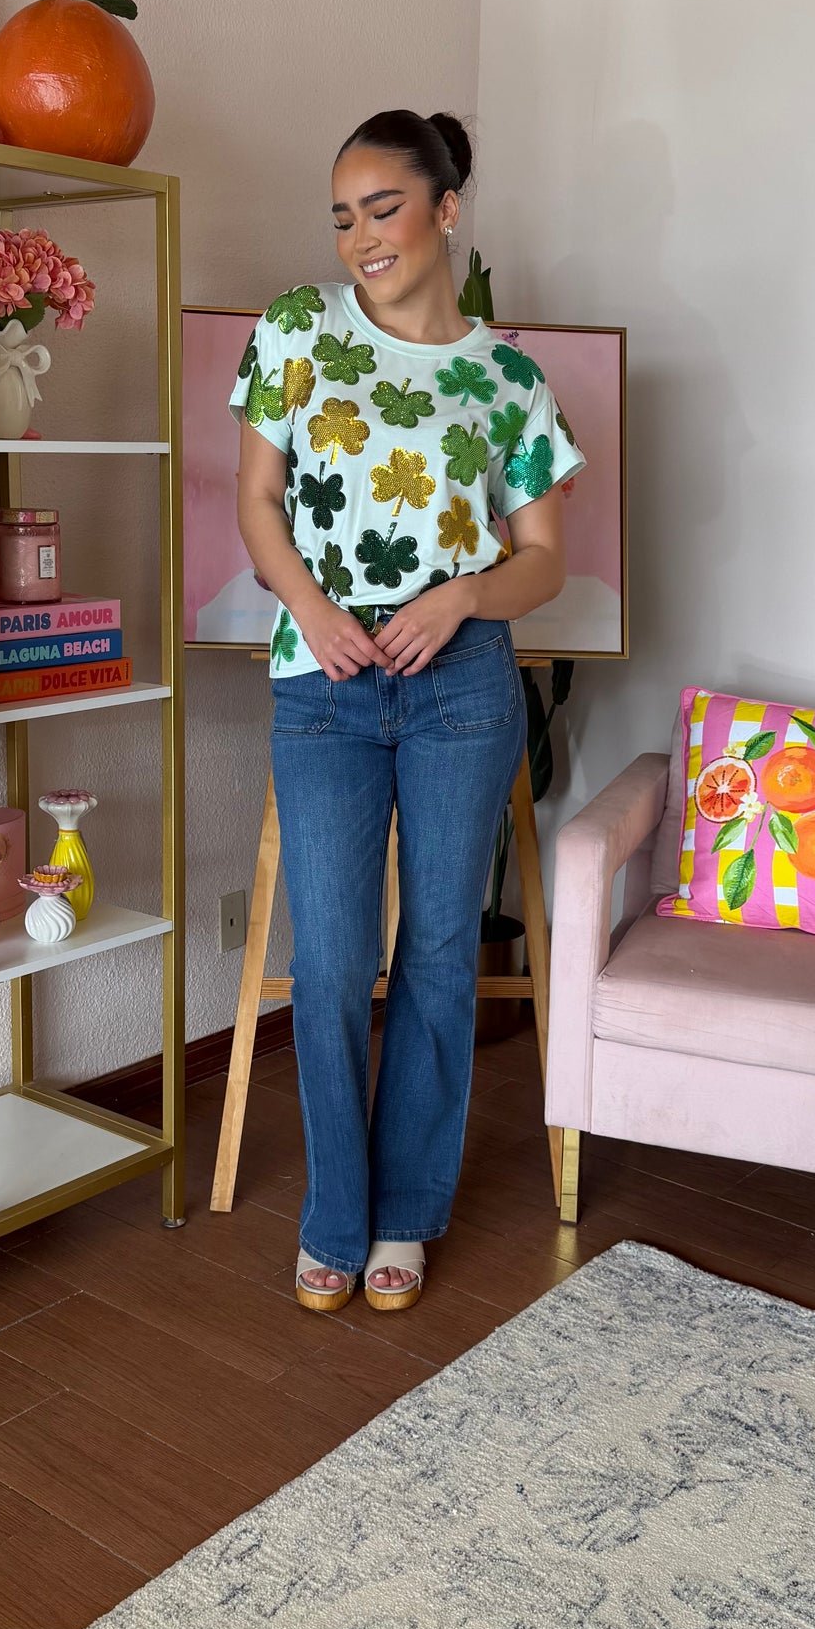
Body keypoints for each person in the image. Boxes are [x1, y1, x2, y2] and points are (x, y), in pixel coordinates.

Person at [231, 109, 584, 1313]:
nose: (361, 237)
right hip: (321, 685)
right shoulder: (297, 328)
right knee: (331, 958)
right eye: (343, 217)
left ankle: (404, 1214)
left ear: (446, 208)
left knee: (438, 949)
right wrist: (310, 608)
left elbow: (545, 559)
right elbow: (258, 498)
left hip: (461, 689)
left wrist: (466, 595)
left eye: (382, 208)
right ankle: (334, 1212)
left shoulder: (510, 379)